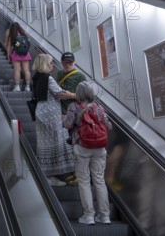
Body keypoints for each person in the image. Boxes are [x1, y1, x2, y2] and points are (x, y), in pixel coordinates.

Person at [63, 81, 112, 225]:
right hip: (100, 148)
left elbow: (67, 125)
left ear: (78, 93)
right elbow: (109, 125)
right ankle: (104, 216)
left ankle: (89, 216)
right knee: (99, 181)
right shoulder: (99, 107)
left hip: (82, 147)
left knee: (84, 181)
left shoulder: (74, 107)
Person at [31, 54, 74, 187]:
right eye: (50, 63)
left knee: (45, 144)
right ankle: (54, 175)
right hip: (51, 116)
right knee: (58, 140)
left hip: (41, 114)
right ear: (44, 64)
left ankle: (48, 175)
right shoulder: (48, 78)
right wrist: (75, 94)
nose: (52, 65)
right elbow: (59, 93)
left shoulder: (36, 77)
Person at [4, 22, 32, 92]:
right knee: (26, 70)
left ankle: (17, 87)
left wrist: (8, 55)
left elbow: (9, 47)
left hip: (16, 54)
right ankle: (28, 87)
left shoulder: (12, 35)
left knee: (17, 70)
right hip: (25, 54)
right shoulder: (24, 34)